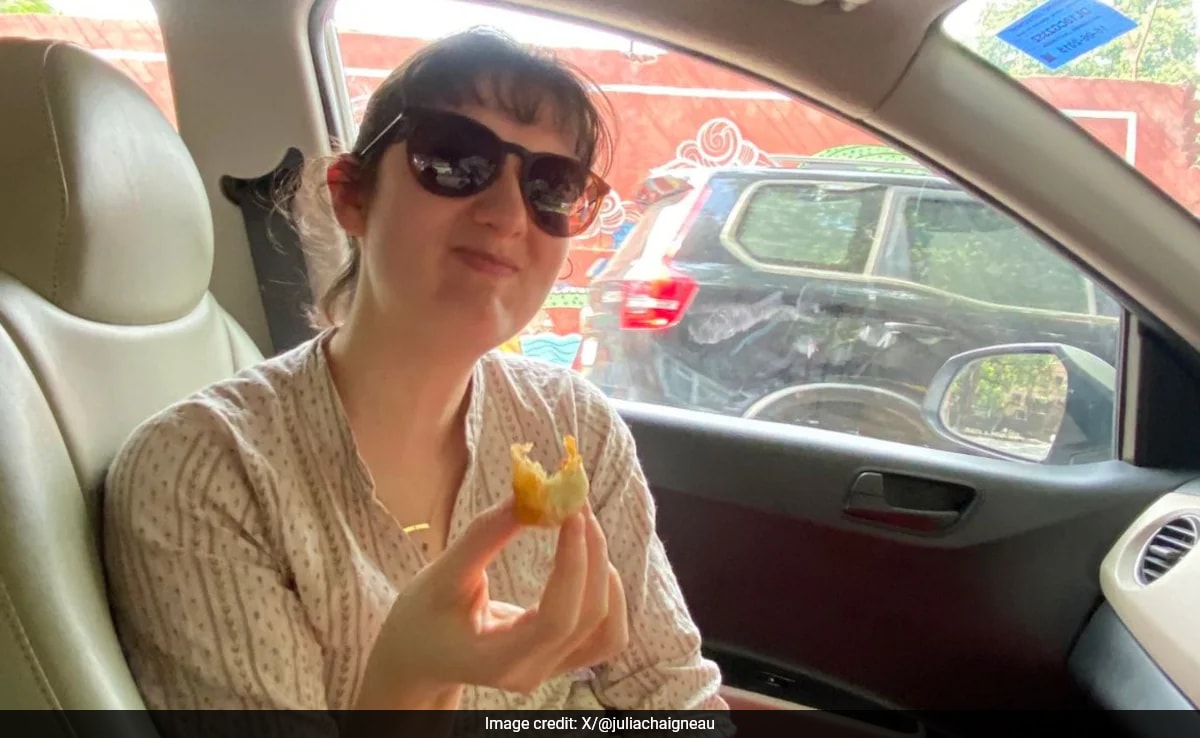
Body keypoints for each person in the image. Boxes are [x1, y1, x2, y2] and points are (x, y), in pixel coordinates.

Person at [102, 26, 728, 714]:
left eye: (552, 187)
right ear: (351, 197)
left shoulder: (577, 426)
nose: (508, 216)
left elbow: (676, 702)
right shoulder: (205, 472)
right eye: (455, 160)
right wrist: (408, 679)